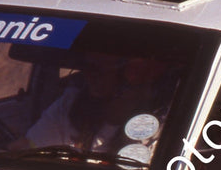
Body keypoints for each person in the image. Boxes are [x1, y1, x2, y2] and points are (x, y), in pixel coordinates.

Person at [23, 53, 172, 153]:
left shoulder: (161, 123)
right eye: (87, 67)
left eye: (100, 70)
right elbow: (28, 147)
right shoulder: (71, 104)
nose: (89, 75)